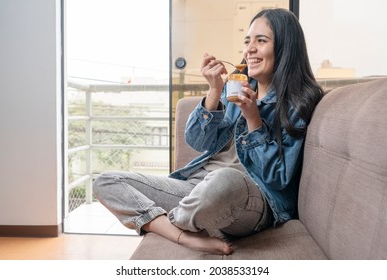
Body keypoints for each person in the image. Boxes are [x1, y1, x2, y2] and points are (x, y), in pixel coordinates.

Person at [93, 8, 323, 255]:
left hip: (248, 195)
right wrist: (214, 91)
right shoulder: (237, 86)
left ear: (286, 48)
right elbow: (196, 140)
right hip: (198, 188)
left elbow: (277, 178)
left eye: (261, 41)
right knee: (106, 181)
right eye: (247, 41)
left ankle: (174, 219)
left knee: (224, 179)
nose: (250, 49)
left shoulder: (298, 103)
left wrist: (254, 119)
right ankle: (182, 235)